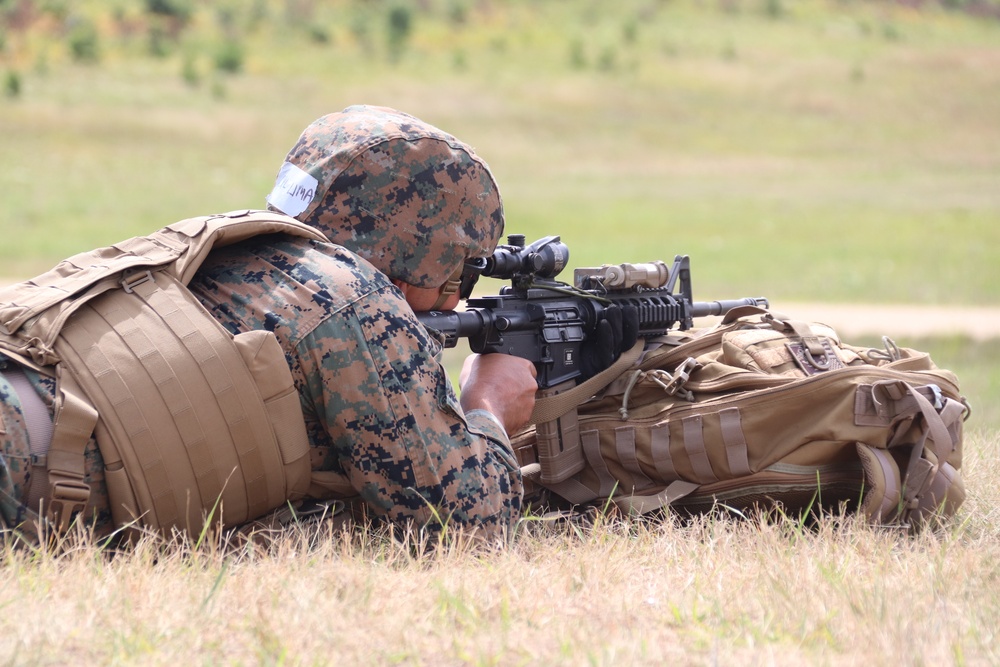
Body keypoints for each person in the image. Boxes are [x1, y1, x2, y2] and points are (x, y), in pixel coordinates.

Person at [0, 105, 538, 542]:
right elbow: (465, 524)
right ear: (421, 252)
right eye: (458, 276)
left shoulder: (220, 249)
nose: (453, 303)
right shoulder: (353, 299)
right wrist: (487, 405)